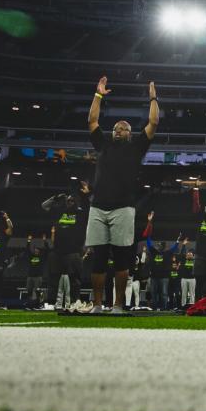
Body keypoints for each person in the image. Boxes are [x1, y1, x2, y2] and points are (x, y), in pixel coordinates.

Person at [85, 76, 158, 314]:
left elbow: (153, 122)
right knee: (98, 259)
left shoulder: (137, 147)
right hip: (98, 207)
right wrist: (98, 95)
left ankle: (117, 305)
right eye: (116, 127)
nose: (119, 130)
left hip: (124, 208)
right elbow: (92, 120)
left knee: (121, 259)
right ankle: (97, 305)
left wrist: (153, 98)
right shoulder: (103, 144)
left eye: (124, 128)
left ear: (130, 133)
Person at [41, 181, 90, 310]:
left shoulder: (80, 214)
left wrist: (86, 195)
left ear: (77, 202)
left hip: (74, 251)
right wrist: (55, 198)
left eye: (73, 201)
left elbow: (91, 208)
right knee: (54, 279)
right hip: (57, 250)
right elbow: (44, 206)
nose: (70, 202)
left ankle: (75, 302)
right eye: (68, 201)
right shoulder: (59, 211)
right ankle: (52, 303)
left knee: (75, 279)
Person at [23, 235, 45, 308]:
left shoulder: (42, 257)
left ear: (39, 251)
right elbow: (27, 250)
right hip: (30, 276)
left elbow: (47, 250)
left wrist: (44, 241)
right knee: (29, 290)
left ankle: (39, 304)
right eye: (35, 250)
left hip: (38, 277)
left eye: (37, 250)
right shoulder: (31, 256)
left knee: (37, 291)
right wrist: (29, 241)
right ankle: (29, 303)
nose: (36, 251)